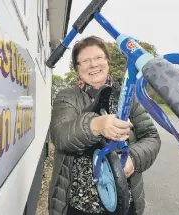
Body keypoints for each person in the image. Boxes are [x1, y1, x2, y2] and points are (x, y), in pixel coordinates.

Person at [48, 36, 161, 215]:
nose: (93, 64)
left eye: (99, 58)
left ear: (107, 61)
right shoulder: (67, 97)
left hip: (124, 203)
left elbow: (151, 136)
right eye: (85, 60)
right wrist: (96, 125)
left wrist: (134, 158)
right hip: (79, 205)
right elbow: (60, 135)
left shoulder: (128, 94)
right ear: (77, 68)